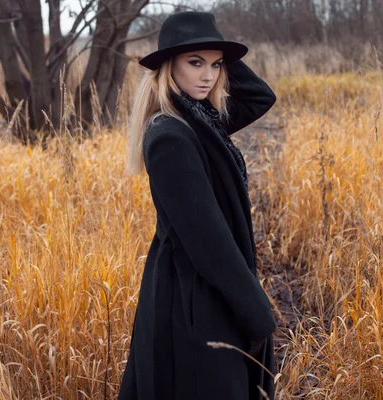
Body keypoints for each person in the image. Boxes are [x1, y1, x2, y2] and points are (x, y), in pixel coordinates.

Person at [120, 10, 278, 400]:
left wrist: (221, 53)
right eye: (195, 63)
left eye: (216, 65)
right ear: (168, 66)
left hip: (209, 289)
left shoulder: (203, 118)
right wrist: (256, 313)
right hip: (192, 299)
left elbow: (261, 96)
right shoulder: (171, 135)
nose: (208, 76)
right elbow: (208, 240)